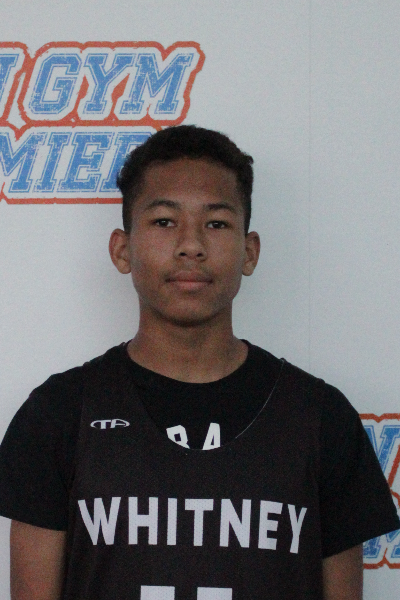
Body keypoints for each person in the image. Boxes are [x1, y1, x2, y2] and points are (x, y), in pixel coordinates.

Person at [0, 125, 398, 600]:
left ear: (250, 251)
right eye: (164, 221)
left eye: (216, 223)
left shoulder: (320, 418)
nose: (191, 245)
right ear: (122, 249)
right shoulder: (59, 414)